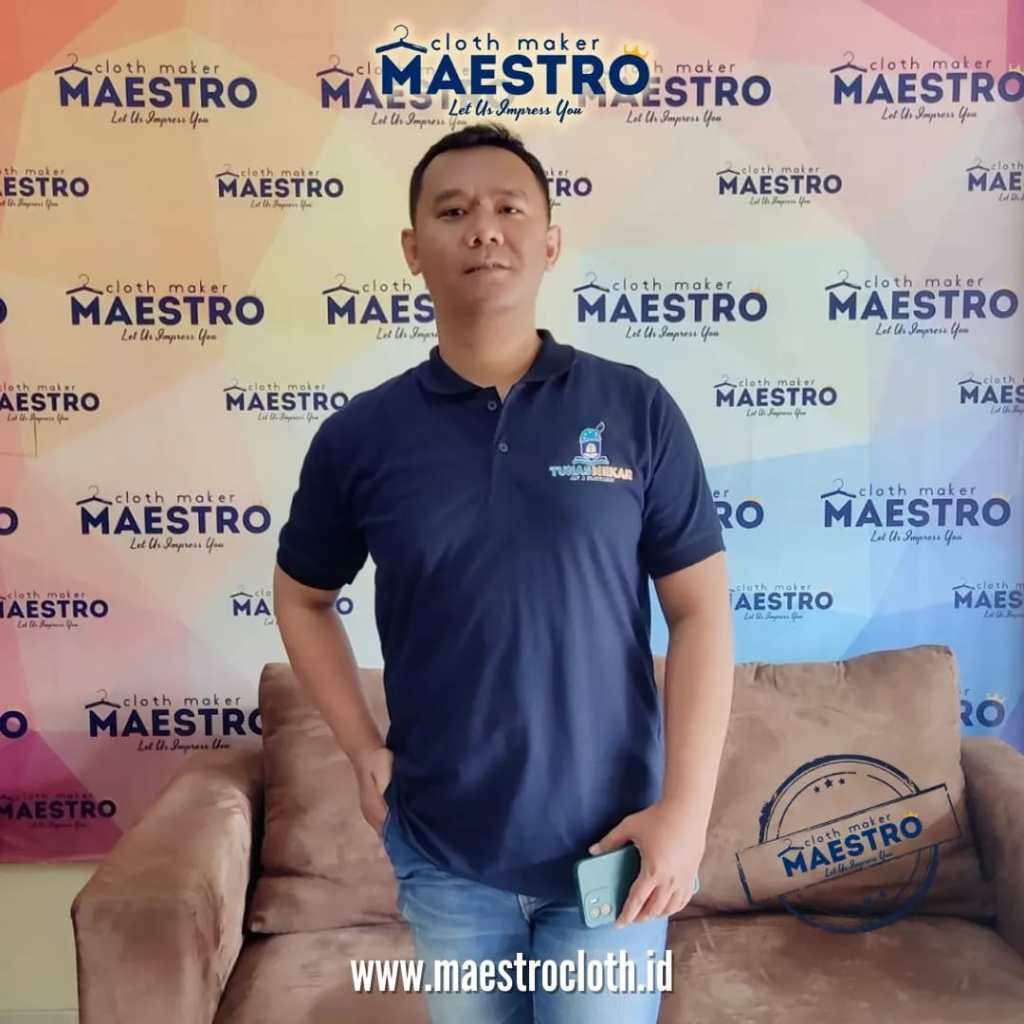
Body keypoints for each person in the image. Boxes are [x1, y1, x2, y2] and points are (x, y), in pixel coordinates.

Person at [273, 121, 735, 1023]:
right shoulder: (361, 437)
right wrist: (362, 749)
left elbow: (702, 612)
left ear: (550, 242)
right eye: (452, 212)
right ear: (413, 249)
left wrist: (685, 812)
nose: (482, 228)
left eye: (508, 208)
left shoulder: (634, 408)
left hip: (615, 851)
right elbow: (302, 597)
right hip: (446, 854)